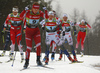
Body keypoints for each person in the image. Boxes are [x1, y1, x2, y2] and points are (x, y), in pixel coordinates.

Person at [20, 2, 48, 69]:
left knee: (38, 46)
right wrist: (24, 10)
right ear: (32, 8)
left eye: (37, 9)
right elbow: (21, 17)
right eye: (35, 9)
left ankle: (38, 61)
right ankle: (26, 62)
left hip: (36, 31)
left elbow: (46, 17)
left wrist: (46, 11)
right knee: (29, 48)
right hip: (28, 31)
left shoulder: (40, 12)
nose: (36, 10)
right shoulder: (28, 12)